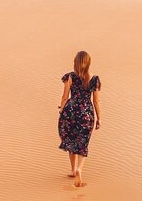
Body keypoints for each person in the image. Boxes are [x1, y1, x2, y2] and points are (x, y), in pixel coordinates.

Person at [58, 50, 101, 187]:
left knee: (71, 139)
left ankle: (72, 170)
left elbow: (65, 97)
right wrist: (99, 118)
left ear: (76, 63)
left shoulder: (70, 76)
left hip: (70, 111)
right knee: (82, 141)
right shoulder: (94, 79)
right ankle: (79, 168)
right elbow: (96, 101)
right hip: (86, 113)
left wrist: (61, 110)